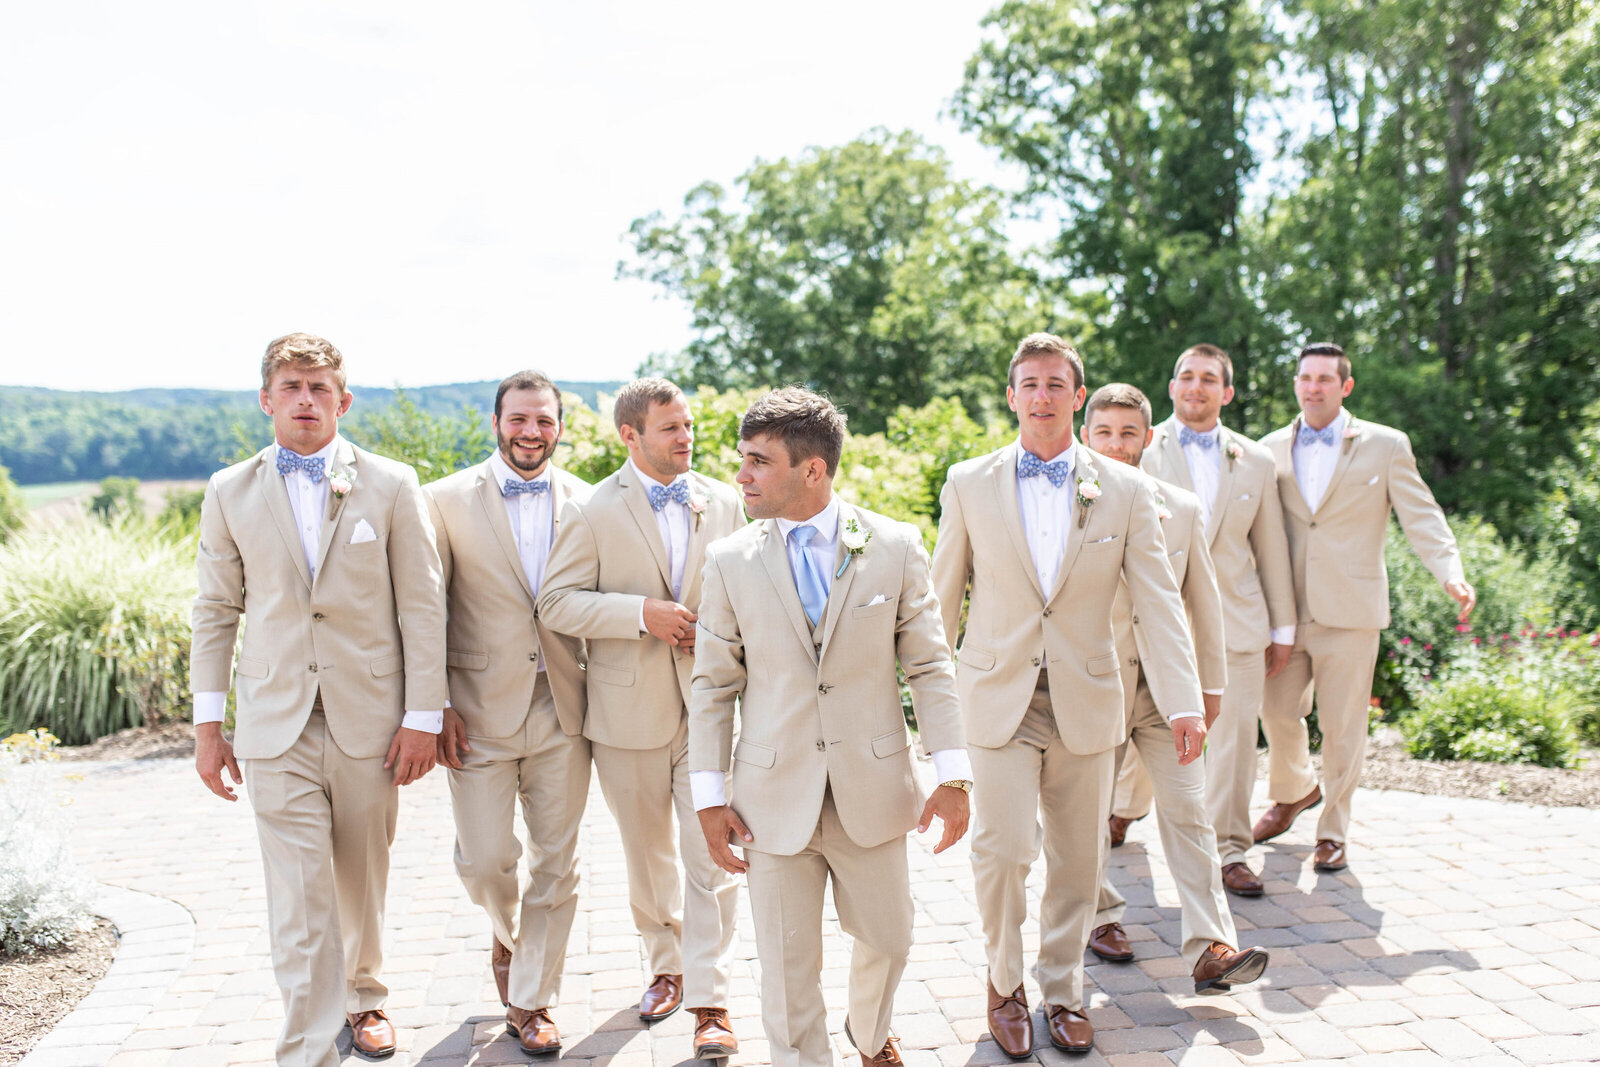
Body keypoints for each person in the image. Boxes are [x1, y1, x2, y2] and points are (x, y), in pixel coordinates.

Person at [929, 334, 1202, 1057]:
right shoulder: (967, 482)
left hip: (1087, 698)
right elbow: (938, 601)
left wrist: (1183, 701)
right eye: (1030, 384)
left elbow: (1159, 604)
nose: (1042, 396)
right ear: (1012, 394)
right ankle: (1003, 981)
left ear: (1077, 396)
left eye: (1056, 384)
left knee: (1079, 860)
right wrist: (928, 714)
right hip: (996, 697)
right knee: (1004, 848)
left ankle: (1063, 990)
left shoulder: (1128, 490)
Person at [689, 386, 971, 1067]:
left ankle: (870, 1033)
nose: (742, 474)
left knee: (890, 939)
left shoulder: (896, 547)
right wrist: (708, 795)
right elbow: (712, 685)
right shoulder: (729, 560)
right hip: (769, 795)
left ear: (811, 470)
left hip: (871, 788)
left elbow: (931, 667)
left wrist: (953, 772)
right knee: (787, 973)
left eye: (759, 461)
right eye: (742, 459)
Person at [191, 333, 446, 1066]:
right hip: (275, 725)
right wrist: (210, 726)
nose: (306, 399)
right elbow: (215, 611)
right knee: (302, 898)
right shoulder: (227, 490)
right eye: (292, 386)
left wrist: (422, 716)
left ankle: (365, 997)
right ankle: (308, 1049)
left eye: (320, 387)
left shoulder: (393, 483)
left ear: (343, 399)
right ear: (267, 398)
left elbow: (422, 608)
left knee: (361, 877)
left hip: (371, 720)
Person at [537, 378, 744, 1059]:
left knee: (710, 851)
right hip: (625, 714)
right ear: (630, 436)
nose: (686, 437)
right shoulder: (592, 508)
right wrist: (639, 615)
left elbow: (746, 594)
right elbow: (557, 603)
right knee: (649, 857)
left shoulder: (723, 500)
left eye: (688, 425)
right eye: (670, 428)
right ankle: (666, 963)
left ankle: (710, 998)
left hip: (710, 708)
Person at [1079, 383, 1270, 995]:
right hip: (1093, 688)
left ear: (1149, 437)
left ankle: (1212, 945)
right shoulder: (1065, 501)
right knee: (1083, 815)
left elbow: (1203, 605)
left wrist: (1208, 688)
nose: (1116, 444)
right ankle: (1099, 915)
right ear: (1086, 435)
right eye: (1103, 431)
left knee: (1190, 810)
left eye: (1128, 433)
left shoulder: (1182, 508)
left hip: (1168, 694)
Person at [423, 370, 592, 1055]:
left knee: (559, 860)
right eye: (519, 419)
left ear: (559, 425)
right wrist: (432, 703)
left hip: (565, 705)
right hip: (476, 709)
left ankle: (532, 998)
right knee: (487, 857)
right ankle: (506, 930)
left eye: (544, 420)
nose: (531, 432)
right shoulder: (441, 501)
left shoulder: (589, 501)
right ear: (497, 422)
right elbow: (423, 607)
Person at [1256, 343, 1475, 872]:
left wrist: (1451, 572)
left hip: (1351, 611)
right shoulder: (1265, 449)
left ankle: (1333, 830)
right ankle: (1294, 792)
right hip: (1283, 611)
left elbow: (1421, 514)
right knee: (1278, 713)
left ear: (1345, 386)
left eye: (1325, 379)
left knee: (1344, 725)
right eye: (1305, 378)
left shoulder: (1385, 445)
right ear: (1296, 384)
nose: (1313, 388)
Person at [1120, 344, 1297, 896]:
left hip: (1237, 620)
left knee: (1236, 741)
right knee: (1142, 729)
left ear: (1227, 391)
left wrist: (1282, 627)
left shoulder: (1257, 461)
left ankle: (1231, 848)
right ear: (1172, 388)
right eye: (1187, 377)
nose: (1197, 387)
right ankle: (1122, 809)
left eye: (1209, 379)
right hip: (1156, 620)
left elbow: (1271, 547)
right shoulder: (1141, 447)